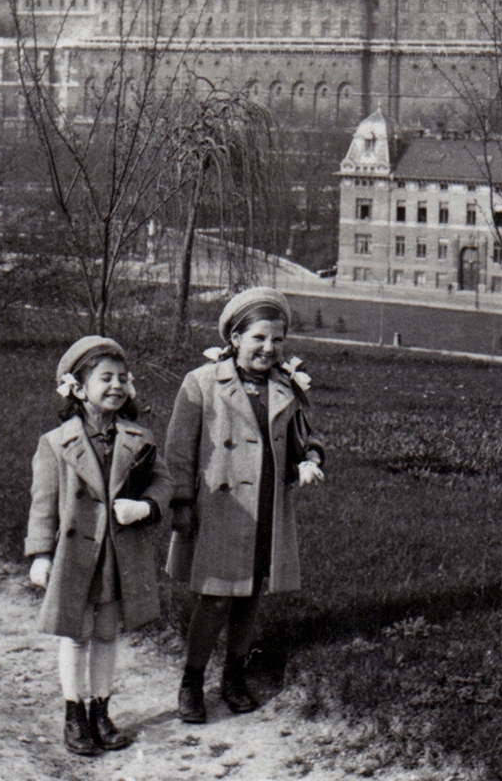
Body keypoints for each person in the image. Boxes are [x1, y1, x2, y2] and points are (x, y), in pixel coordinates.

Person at [165, 287, 325, 723]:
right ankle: (192, 680)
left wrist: (310, 460)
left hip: (268, 505)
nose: (269, 348)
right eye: (258, 338)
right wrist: (180, 500)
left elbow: (306, 437)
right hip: (222, 507)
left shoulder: (286, 386)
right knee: (217, 597)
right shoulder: (201, 384)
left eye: (277, 340)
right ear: (235, 338)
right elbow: (179, 450)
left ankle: (234, 675)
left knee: (251, 595)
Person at [25, 336, 170, 756]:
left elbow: (164, 481)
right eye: (105, 378)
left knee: (107, 634)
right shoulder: (55, 443)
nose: (116, 386)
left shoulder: (139, 437)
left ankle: (101, 711)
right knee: (76, 634)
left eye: (123, 378)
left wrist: (144, 508)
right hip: (76, 556)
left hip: (117, 555)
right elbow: (43, 503)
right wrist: (40, 554)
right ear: (78, 387)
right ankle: (74, 714)